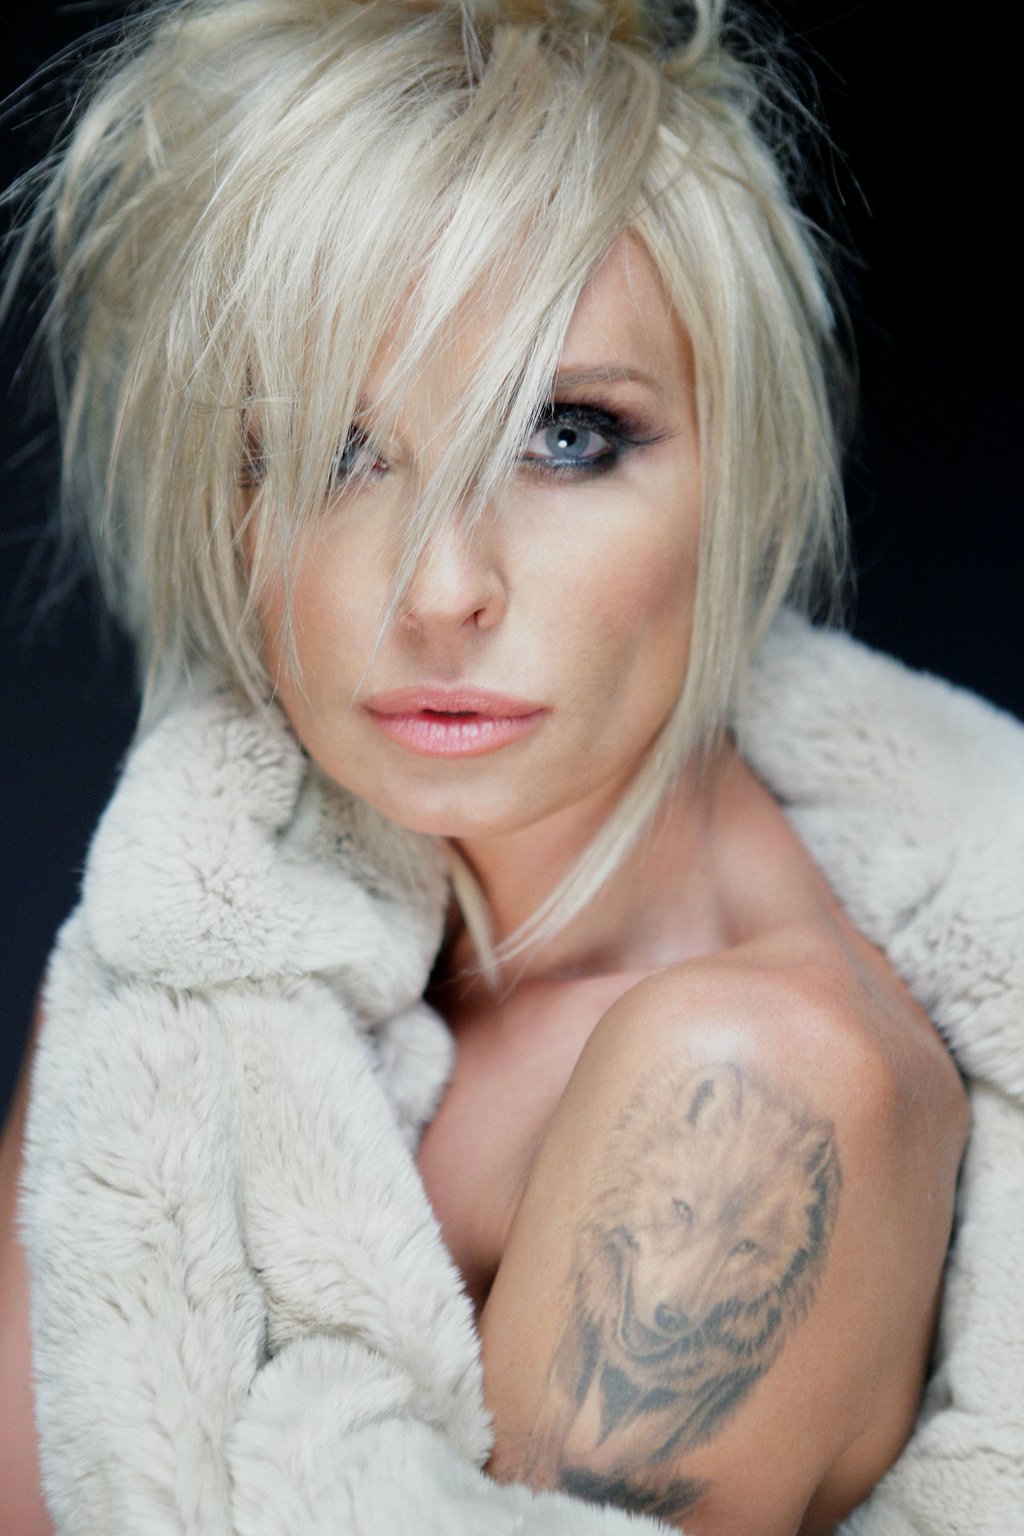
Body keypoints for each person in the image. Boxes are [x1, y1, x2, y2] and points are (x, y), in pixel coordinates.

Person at [1, 1, 1021, 1533]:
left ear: (739, 478)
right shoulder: (187, 961)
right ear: (227, 499)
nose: (442, 588)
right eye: (337, 447)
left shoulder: (752, 1090)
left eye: (567, 436)